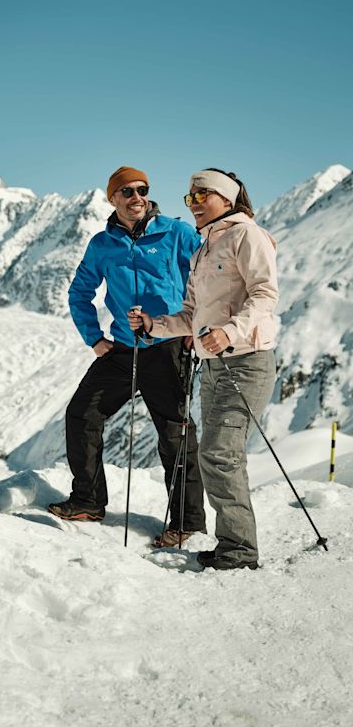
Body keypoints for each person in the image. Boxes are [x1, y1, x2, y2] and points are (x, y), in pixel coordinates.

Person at [48, 166, 207, 547]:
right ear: (112, 198)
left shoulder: (176, 232)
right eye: (127, 192)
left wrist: (194, 329)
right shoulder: (103, 245)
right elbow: (78, 293)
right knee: (82, 414)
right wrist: (95, 339)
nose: (136, 197)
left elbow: (207, 280)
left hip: (167, 346)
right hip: (121, 348)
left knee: (175, 434)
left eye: (142, 190)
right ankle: (88, 502)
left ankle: (187, 524)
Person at [128, 168, 278, 570]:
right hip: (213, 367)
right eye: (189, 198)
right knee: (215, 456)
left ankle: (240, 552)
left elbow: (265, 293)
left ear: (226, 200)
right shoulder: (203, 249)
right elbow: (191, 314)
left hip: (246, 362)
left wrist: (230, 331)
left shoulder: (248, 235)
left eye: (201, 196)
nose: (192, 205)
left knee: (220, 454)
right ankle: (233, 544)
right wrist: (154, 326)